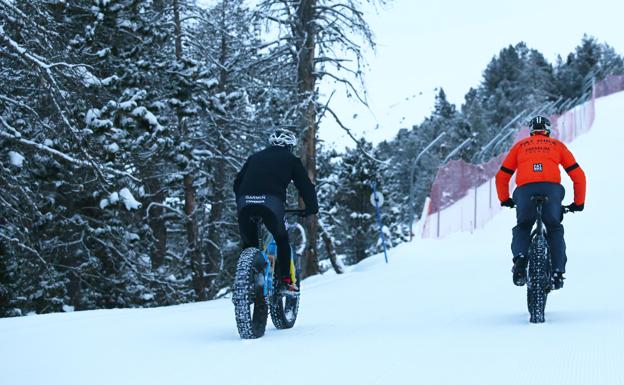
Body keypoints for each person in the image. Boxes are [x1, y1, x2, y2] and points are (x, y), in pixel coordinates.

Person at [495, 115, 586, 290]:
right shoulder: (557, 146)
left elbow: (502, 177)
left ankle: (520, 259)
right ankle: (558, 272)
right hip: (552, 192)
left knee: (522, 227)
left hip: (525, 192)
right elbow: (578, 175)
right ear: (547, 130)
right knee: (554, 228)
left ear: (531, 131)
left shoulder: (520, 146)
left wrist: (505, 199)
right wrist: (578, 202)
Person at [233, 128, 318, 292]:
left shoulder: (254, 157)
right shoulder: (291, 159)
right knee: (282, 239)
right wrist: (311, 208)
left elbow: (237, 183)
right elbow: (306, 187)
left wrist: (243, 201)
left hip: (245, 202)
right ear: (290, 146)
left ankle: (246, 284)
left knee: (249, 246)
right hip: (271, 203)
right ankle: (286, 281)